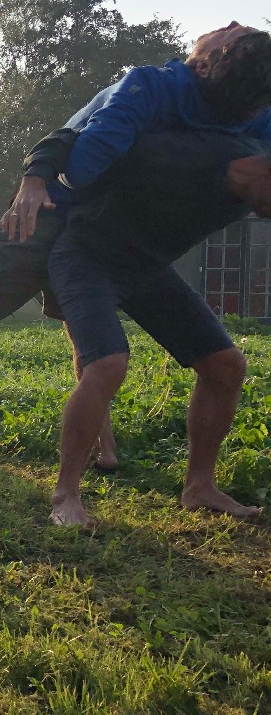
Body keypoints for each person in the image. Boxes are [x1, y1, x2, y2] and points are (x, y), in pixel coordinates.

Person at [0, 22, 271, 480]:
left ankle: (90, 447)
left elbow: (90, 166)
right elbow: (77, 159)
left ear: (209, 63)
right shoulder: (174, 92)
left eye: (229, 33)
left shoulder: (174, 90)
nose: (226, 26)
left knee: (28, 319)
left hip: (90, 220)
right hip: (57, 203)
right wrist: (36, 173)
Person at [47, 129, 271, 526]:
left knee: (226, 366)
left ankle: (199, 486)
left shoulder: (251, 170)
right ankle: (66, 494)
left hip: (146, 267)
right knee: (107, 362)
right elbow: (89, 144)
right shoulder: (189, 149)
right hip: (86, 255)